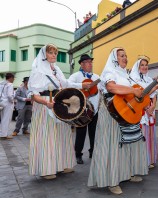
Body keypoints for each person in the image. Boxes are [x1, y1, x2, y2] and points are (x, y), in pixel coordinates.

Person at [88, 47, 158, 195]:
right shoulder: (110, 71)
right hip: (111, 113)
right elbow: (111, 87)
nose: (125, 58)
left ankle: (128, 173)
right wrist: (133, 91)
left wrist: (155, 87)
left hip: (126, 114)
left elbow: (139, 96)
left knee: (129, 144)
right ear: (115, 58)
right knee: (113, 146)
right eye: (121, 56)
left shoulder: (127, 75)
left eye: (126, 56)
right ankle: (111, 180)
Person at [28, 44, 91, 179]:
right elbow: (33, 94)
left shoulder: (56, 69)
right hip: (45, 105)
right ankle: (46, 169)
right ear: (44, 55)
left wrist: (82, 85)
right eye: (51, 53)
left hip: (59, 104)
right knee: (48, 137)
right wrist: (46, 102)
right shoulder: (38, 70)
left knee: (62, 135)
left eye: (55, 53)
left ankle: (63, 164)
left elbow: (66, 84)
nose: (54, 55)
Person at [129, 55, 158, 169]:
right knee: (141, 135)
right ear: (137, 66)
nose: (144, 67)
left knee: (149, 134)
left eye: (146, 65)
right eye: (142, 65)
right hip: (139, 110)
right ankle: (140, 162)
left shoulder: (149, 79)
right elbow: (140, 95)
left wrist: (152, 107)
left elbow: (153, 94)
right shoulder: (132, 79)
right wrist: (146, 107)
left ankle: (149, 159)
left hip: (150, 109)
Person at [68, 54, 100, 164]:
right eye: (87, 62)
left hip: (95, 109)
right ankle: (78, 154)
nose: (90, 64)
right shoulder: (76, 76)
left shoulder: (96, 77)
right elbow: (68, 85)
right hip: (81, 109)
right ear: (81, 64)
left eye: (91, 62)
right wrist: (82, 85)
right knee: (81, 132)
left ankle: (93, 151)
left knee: (94, 132)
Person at [0, 73, 15, 139]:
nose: (13, 79)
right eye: (13, 78)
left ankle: (2, 133)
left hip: (2, 102)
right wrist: (12, 100)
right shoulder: (10, 84)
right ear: (11, 77)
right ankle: (3, 135)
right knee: (6, 119)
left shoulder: (1, 83)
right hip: (8, 103)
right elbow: (9, 95)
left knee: (3, 118)